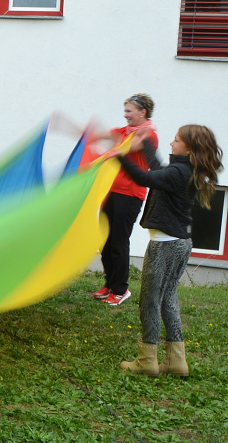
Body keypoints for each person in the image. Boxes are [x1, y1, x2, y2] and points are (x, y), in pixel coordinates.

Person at [111, 125, 222, 377]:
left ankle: (147, 361)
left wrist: (118, 155)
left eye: (176, 140)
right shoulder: (183, 170)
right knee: (168, 297)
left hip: (164, 245)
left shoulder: (178, 172)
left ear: (189, 148)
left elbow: (144, 178)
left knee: (150, 300)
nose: (171, 143)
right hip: (181, 242)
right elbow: (158, 169)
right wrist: (147, 144)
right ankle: (176, 361)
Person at [92, 94, 159, 306]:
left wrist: (109, 153)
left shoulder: (149, 136)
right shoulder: (122, 133)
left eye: (129, 111)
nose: (125, 114)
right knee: (105, 238)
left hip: (130, 194)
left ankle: (121, 289)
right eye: (125, 110)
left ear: (143, 112)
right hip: (110, 191)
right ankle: (110, 283)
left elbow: (128, 148)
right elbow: (98, 136)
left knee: (119, 241)